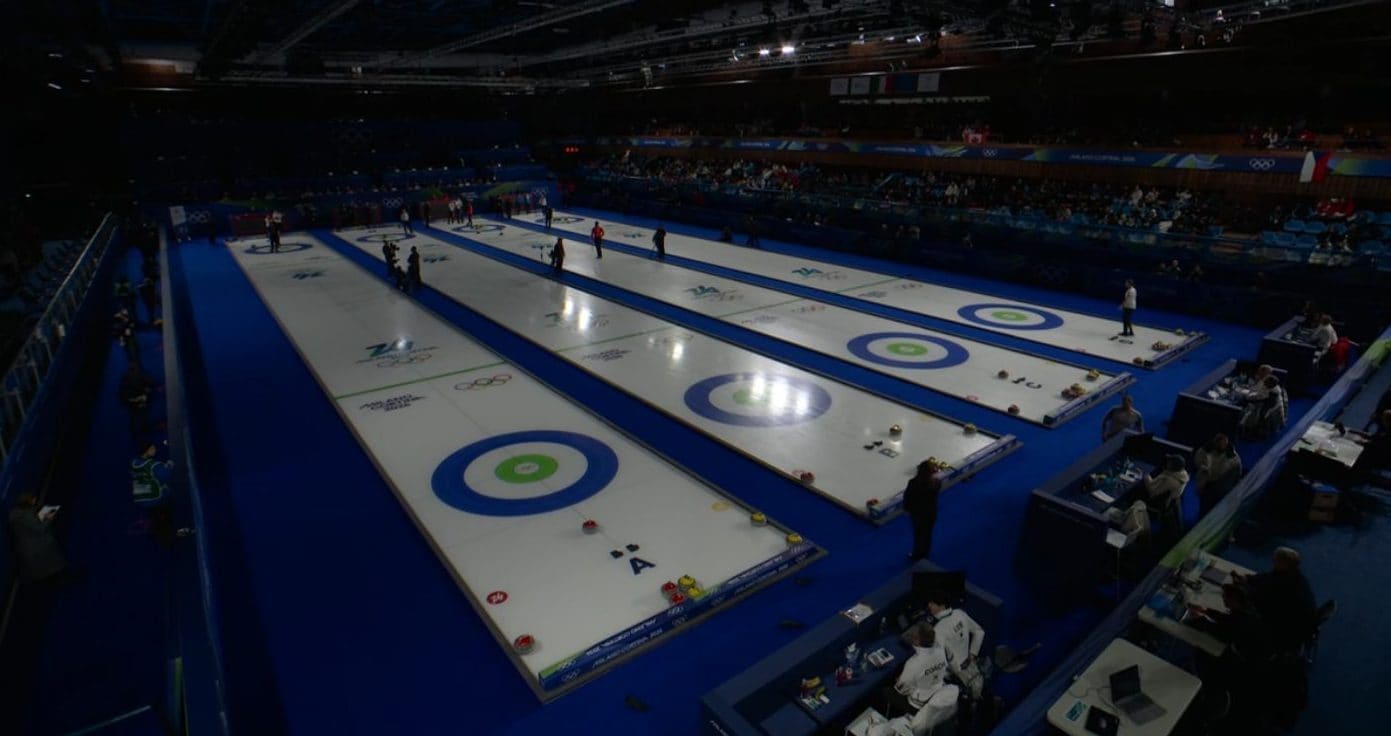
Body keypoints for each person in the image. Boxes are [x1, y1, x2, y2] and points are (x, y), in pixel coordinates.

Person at [1236, 547, 1317, 656]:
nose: (1272, 561)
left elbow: (1264, 601)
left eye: (1275, 560)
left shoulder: (1285, 585)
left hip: (1288, 628)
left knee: (1243, 614)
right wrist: (1249, 579)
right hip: (1303, 620)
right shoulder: (1294, 574)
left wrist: (1245, 590)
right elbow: (1268, 578)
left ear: (1284, 564)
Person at [927, 591, 986, 698]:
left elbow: (938, 660)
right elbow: (979, 632)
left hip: (955, 676)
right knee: (976, 690)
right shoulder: (959, 613)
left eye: (932, 603)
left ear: (942, 605)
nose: (929, 606)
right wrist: (972, 654)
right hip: (971, 666)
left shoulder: (937, 630)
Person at [7, 494, 67, 583]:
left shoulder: (17, 513)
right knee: (50, 562)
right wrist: (48, 518)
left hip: (32, 546)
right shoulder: (24, 517)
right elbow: (40, 528)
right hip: (36, 548)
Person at [902, 461, 941, 563]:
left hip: (918, 514)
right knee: (927, 534)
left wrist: (907, 508)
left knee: (918, 535)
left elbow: (907, 497)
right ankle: (925, 554)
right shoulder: (936, 483)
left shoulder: (913, 483)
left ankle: (917, 554)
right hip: (931, 513)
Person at [1144, 454, 1189, 540]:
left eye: (1169, 462)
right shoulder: (1183, 474)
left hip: (1164, 507)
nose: (1167, 463)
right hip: (1174, 505)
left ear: (1172, 466)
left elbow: (1152, 492)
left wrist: (1146, 477)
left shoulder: (1169, 480)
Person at [1194, 434, 1242, 512]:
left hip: (1220, 487)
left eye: (1224, 443)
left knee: (1214, 510)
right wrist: (1202, 467)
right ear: (1215, 443)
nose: (1222, 445)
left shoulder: (1233, 457)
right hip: (1206, 484)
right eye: (1219, 443)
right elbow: (1198, 459)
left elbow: (1236, 474)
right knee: (1204, 509)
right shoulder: (1206, 450)